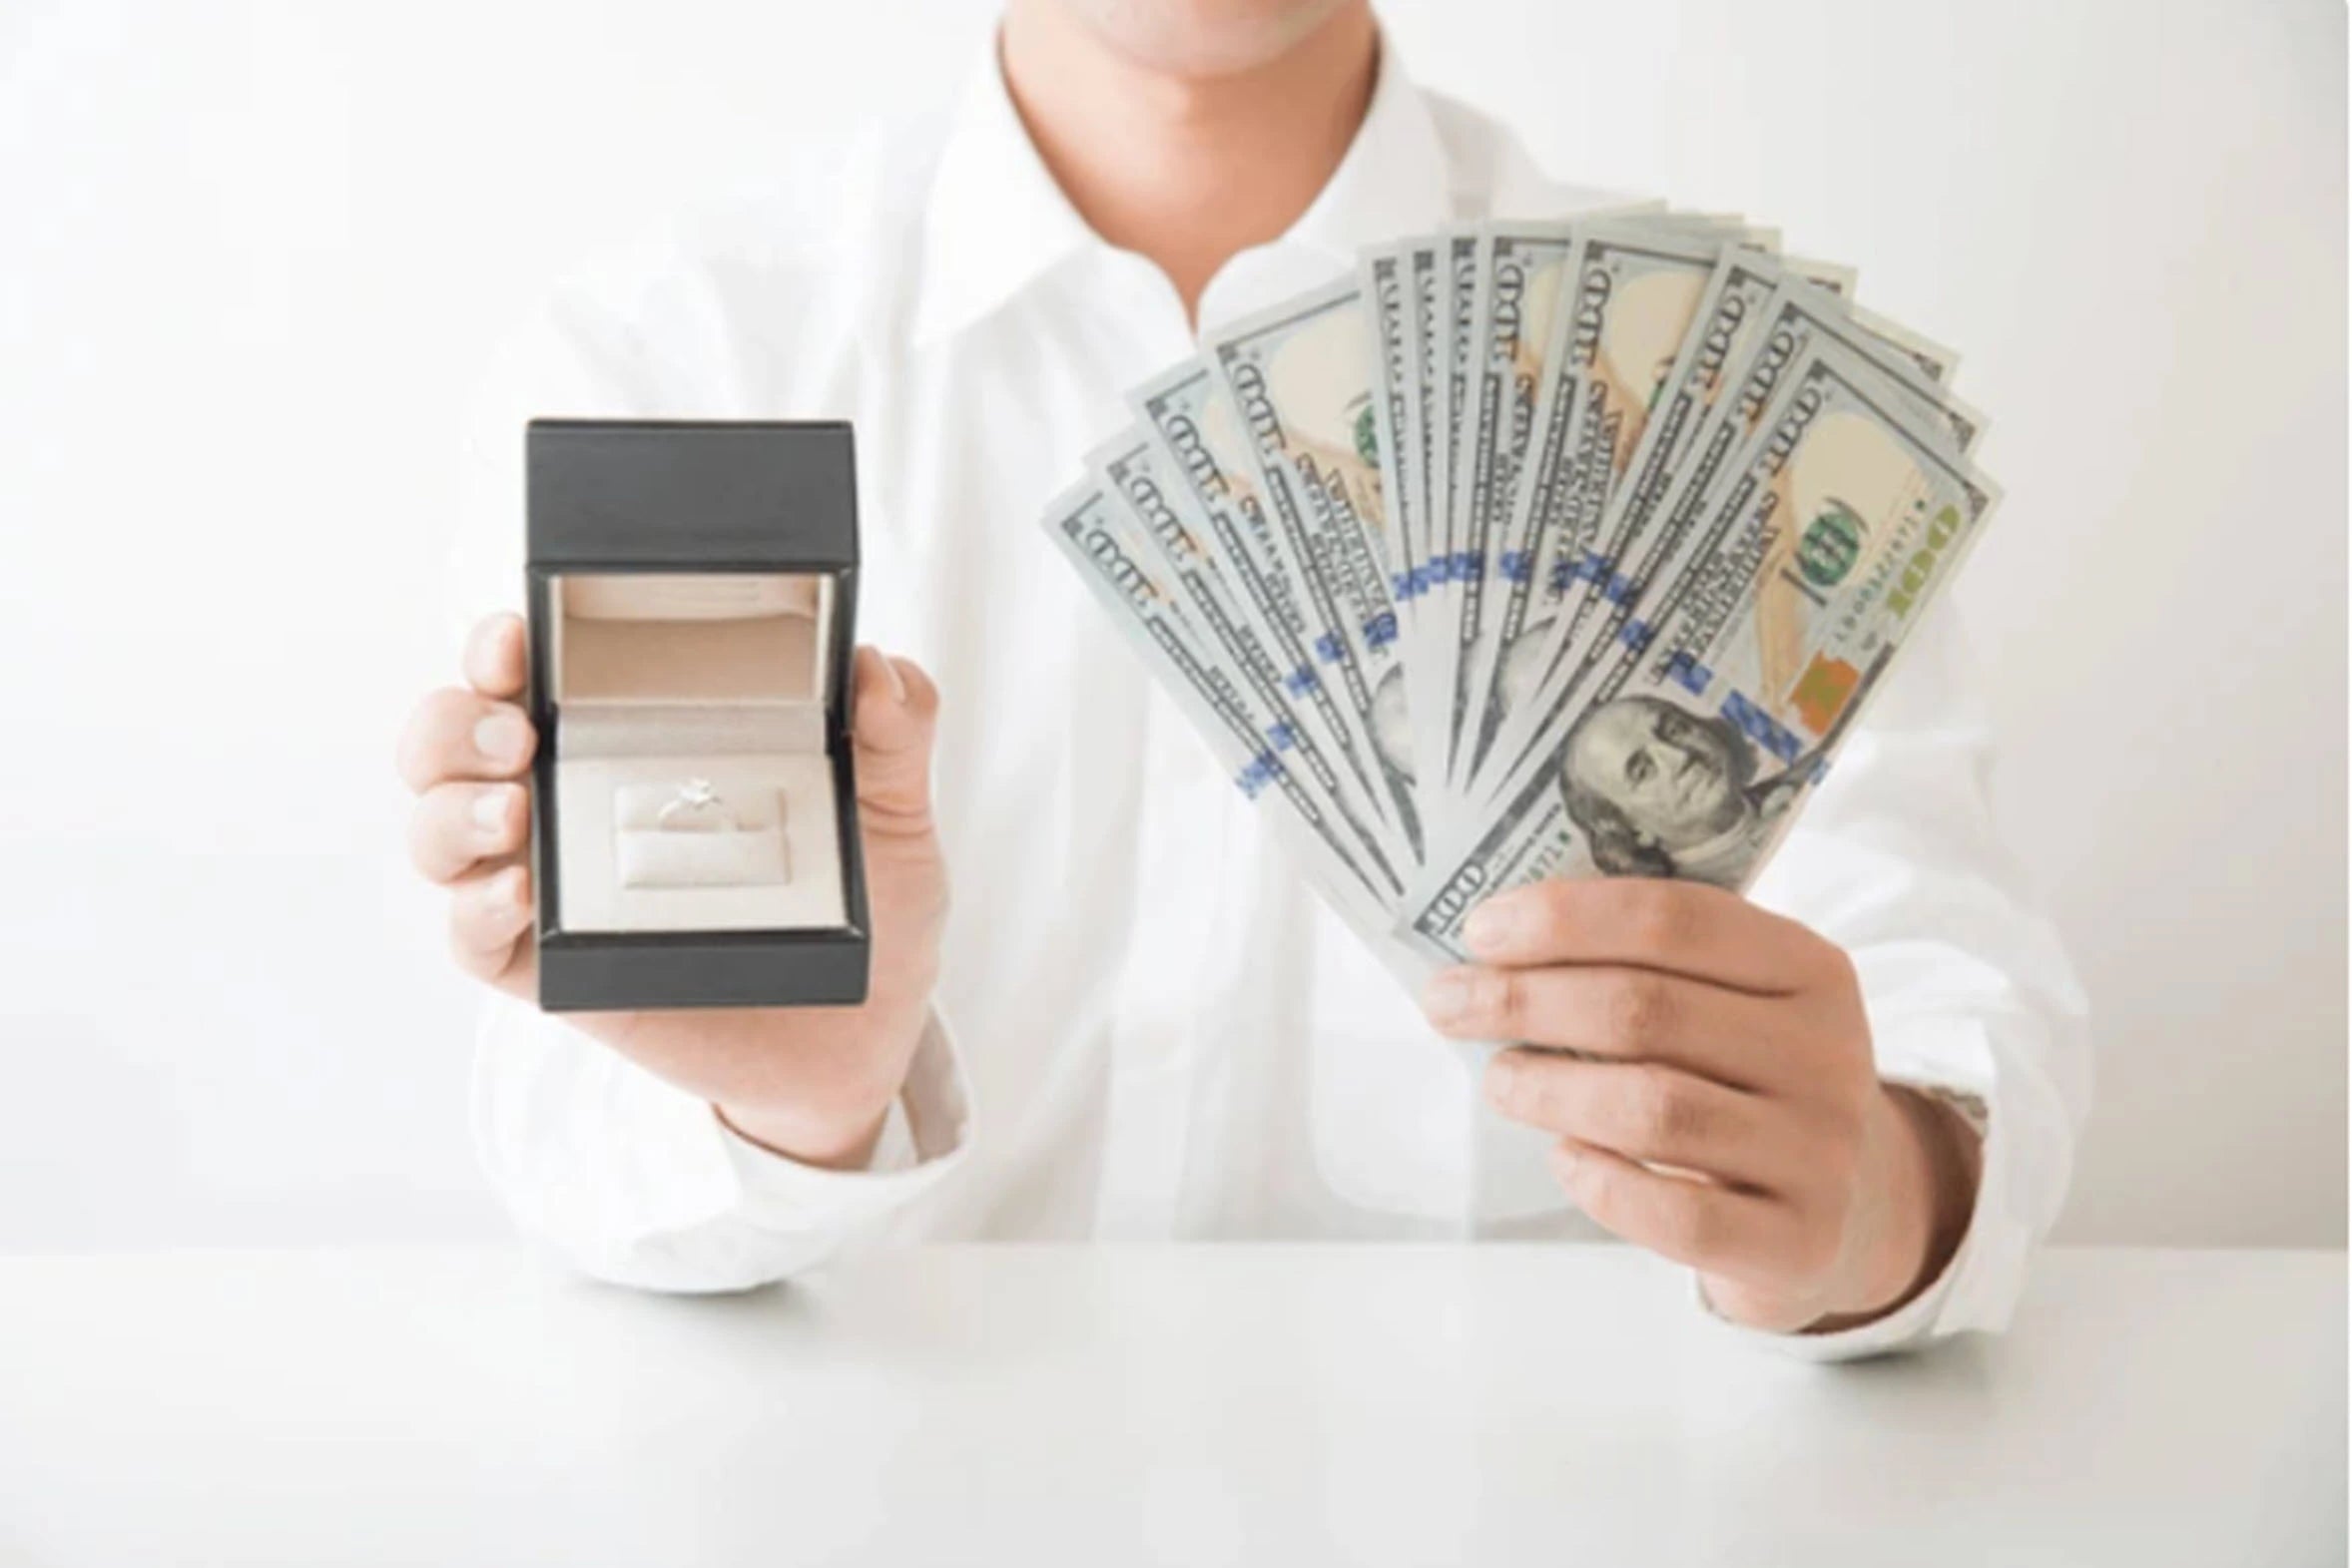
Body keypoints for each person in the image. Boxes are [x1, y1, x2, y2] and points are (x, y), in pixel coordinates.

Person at [397, 0, 2086, 1352]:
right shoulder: (679, 354)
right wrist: (801, 1110)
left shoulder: (1704, 390)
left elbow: (1947, 1004)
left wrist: (1870, 1201)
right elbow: (562, 1133)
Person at [1559, 694, 1809, 889]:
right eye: (1643, 771)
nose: (1679, 756)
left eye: (1673, 730)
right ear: (1633, 830)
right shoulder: (1706, 912)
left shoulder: (1811, 775)